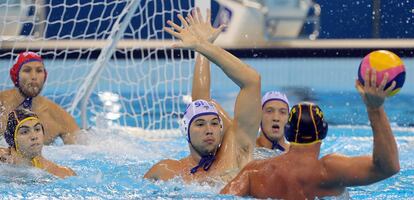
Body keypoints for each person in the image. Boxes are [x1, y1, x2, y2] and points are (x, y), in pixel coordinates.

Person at [220, 69, 400, 199]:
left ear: (288, 132)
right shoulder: (330, 170)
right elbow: (388, 167)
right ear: (323, 133)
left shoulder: (254, 172)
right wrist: (375, 108)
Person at [144, 8, 261, 182]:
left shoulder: (235, 152)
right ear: (186, 131)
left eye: (215, 124)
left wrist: (204, 46)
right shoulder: (167, 170)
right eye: (200, 124)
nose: (209, 130)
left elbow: (252, 80)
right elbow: (200, 102)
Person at [0, 51, 80, 144]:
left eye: (39, 71)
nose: (34, 76)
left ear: (45, 76)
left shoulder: (60, 118)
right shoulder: (2, 103)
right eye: (27, 70)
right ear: (15, 75)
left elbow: (80, 152)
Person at [0, 108, 76, 179]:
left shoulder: (62, 173)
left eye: (37, 129)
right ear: (12, 139)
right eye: (25, 132)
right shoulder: (3, 160)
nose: (34, 136)